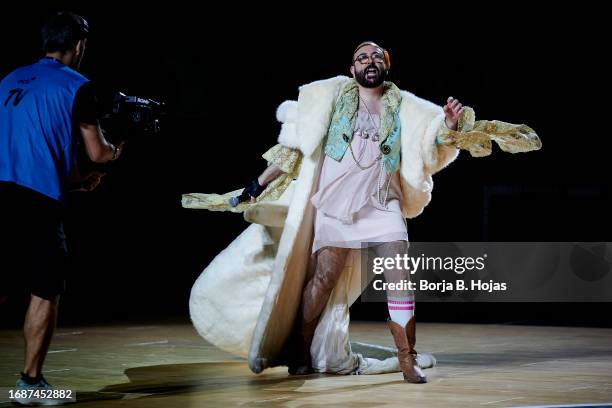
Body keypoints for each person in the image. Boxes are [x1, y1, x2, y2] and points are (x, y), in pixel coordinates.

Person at [186, 41, 540, 382]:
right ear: (352, 68)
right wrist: (257, 184)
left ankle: (407, 358)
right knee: (324, 277)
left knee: (400, 276)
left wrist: (447, 124)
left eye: (376, 56)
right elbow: (294, 147)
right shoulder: (329, 99)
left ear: (386, 65)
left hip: (382, 201)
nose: (369, 61)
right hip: (335, 203)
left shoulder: (404, 105)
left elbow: (429, 142)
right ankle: (302, 350)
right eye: (362, 57)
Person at [0, 11, 121, 401]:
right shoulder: (78, 86)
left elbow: (29, 142)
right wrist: (116, 152)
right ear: (79, 45)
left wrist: (75, 180)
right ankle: (30, 384)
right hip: (37, 201)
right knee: (45, 288)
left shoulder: (8, 80)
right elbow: (98, 152)